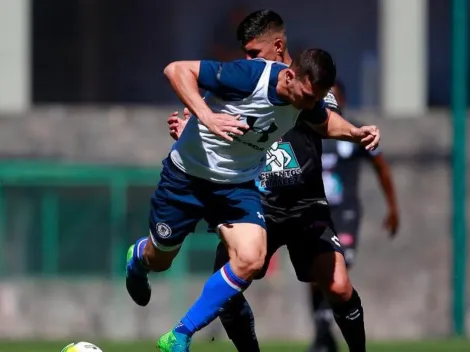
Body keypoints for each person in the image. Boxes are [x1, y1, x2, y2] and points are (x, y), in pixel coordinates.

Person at [165, 10, 375, 352]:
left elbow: (329, 120)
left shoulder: (312, 89)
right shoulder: (245, 81)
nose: (247, 61)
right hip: (255, 201)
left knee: (337, 286)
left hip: (306, 206)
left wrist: (355, 133)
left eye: (253, 54)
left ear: (278, 47)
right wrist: (192, 127)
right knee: (228, 293)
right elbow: (218, 124)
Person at [308, 80, 399, 352]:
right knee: (314, 273)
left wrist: (393, 208)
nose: (330, 102)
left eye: (334, 97)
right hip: (314, 211)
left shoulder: (353, 132)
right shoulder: (309, 129)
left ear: (344, 101)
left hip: (345, 212)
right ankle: (323, 335)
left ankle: (328, 337)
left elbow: (381, 167)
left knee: (338, 267)